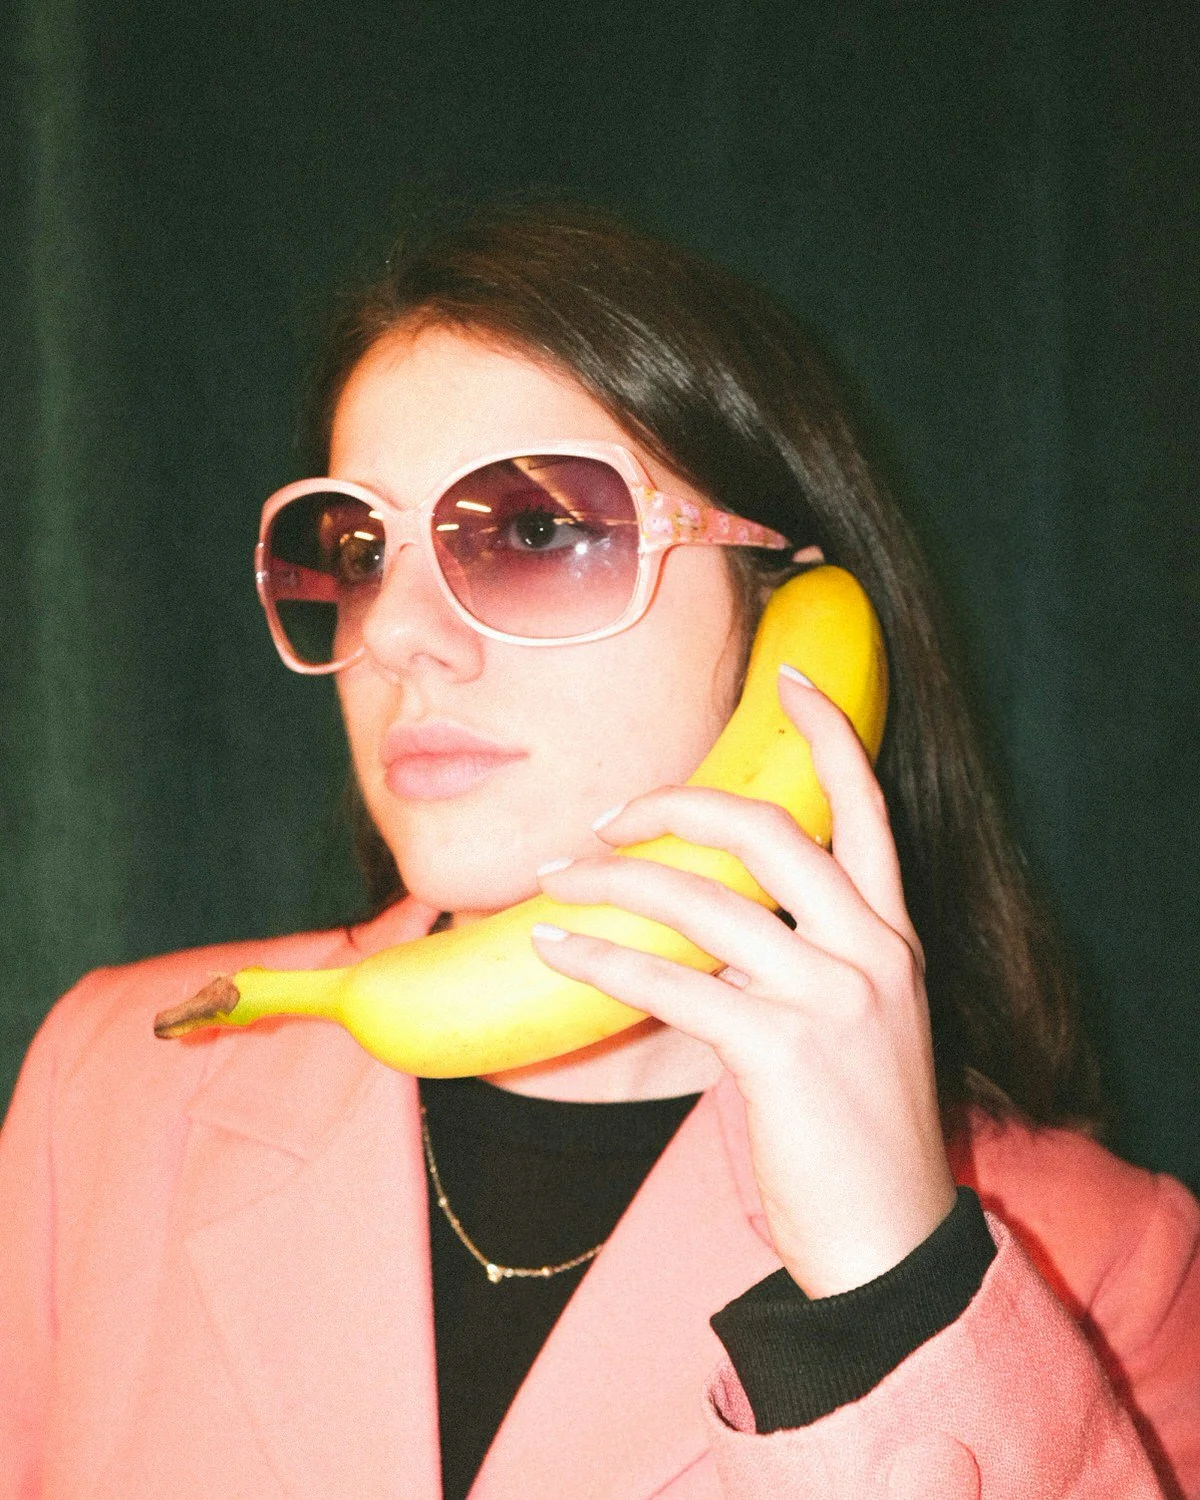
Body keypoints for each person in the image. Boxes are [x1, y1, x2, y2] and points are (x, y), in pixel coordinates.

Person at [1, 202, 1196, 1500]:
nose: (400, 632)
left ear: (788, 617)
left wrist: (891, 1292)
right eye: (355, 550)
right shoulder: (112, 1090)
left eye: (532, 531)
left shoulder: (1102, 1259)